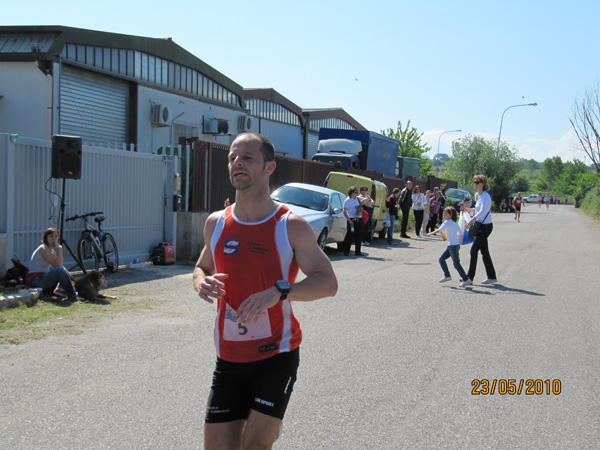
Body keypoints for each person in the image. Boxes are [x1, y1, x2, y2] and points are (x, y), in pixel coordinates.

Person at [192, 132, 338, 450]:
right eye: (232, 157)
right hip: (229, 358)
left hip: (276, 355)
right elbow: (201, 266)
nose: (237, 163)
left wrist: (279, 291)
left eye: (247, 157)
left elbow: (328, 283)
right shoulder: (215, 223)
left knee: (254, 447)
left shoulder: (291, 225)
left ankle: (267, 425)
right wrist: (200, 281)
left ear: (269, 167)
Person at [25, 228, 78, 300]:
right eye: (51, 236)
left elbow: (60, 266)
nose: (54, 238)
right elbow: (57, 265)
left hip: (43, 277)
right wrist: (60, 250)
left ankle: (63, 290)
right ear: (46, 238)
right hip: (37, 280)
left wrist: (72, 278)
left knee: (62, 271)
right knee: (59, 270)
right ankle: (72, 294)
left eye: (56, 236)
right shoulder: (44, 249)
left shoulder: (51, 251)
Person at [463, 174, 497, 284]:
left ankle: (469, 277)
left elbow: (483, 211)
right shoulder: (478, 195)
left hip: (486, 226)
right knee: (484, 252)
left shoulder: (485, 196)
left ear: (483, 184)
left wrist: (471, 220)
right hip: (480, 225)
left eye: (477, 182)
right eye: (474, 182)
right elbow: (476, 210)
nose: (475, 184)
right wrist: (466, 209)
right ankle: (492, 276)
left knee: (474, 250)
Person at [426, 207, 472, 287]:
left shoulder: (446, 223)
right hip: (454, 245)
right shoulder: (455, 223)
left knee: (456, 264)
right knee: (442, 259)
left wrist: (430, 233)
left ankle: (465, 279)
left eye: (446, 213)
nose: (444, 215)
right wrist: (453, 234)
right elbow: (460, 234)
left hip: (452, 246)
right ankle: (447, 276)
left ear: (450, 215)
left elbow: (439, 230)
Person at [341, 186, 364, 256]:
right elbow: (344, 211)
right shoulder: (347, 200)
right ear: (350, 192)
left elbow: (367, 201)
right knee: (349, 236)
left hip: (358, 218)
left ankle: (358, 252)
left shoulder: (357, 199)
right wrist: (349, 220)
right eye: (354, 192)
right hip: (351, 219)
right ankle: (346, 251)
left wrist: (360, 208)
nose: (355, 194)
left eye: (356, 192)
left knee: (358, 236)